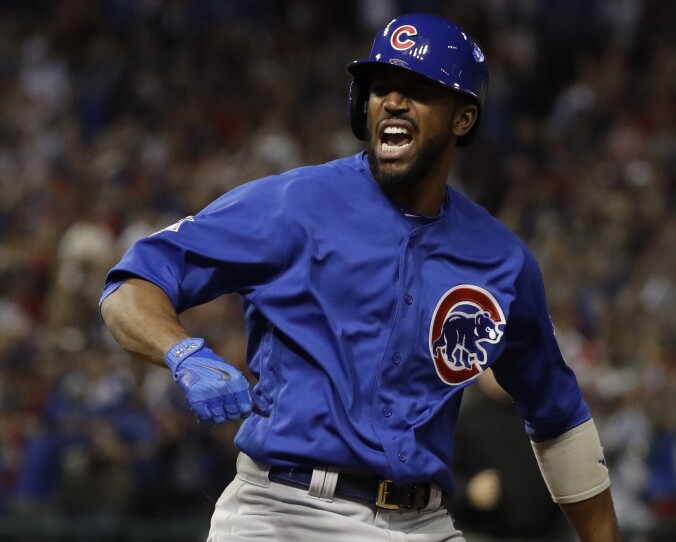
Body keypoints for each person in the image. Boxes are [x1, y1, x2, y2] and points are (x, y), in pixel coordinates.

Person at [100, 13, 620, 542]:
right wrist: (181, 352)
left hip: (424, 522)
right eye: (380, 88)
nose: (392, 101)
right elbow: (132, 284)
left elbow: (560, 419)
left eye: (417, 89)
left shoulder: (502, 260)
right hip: (282, 512)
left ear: (463, 120)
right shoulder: (294, 205)